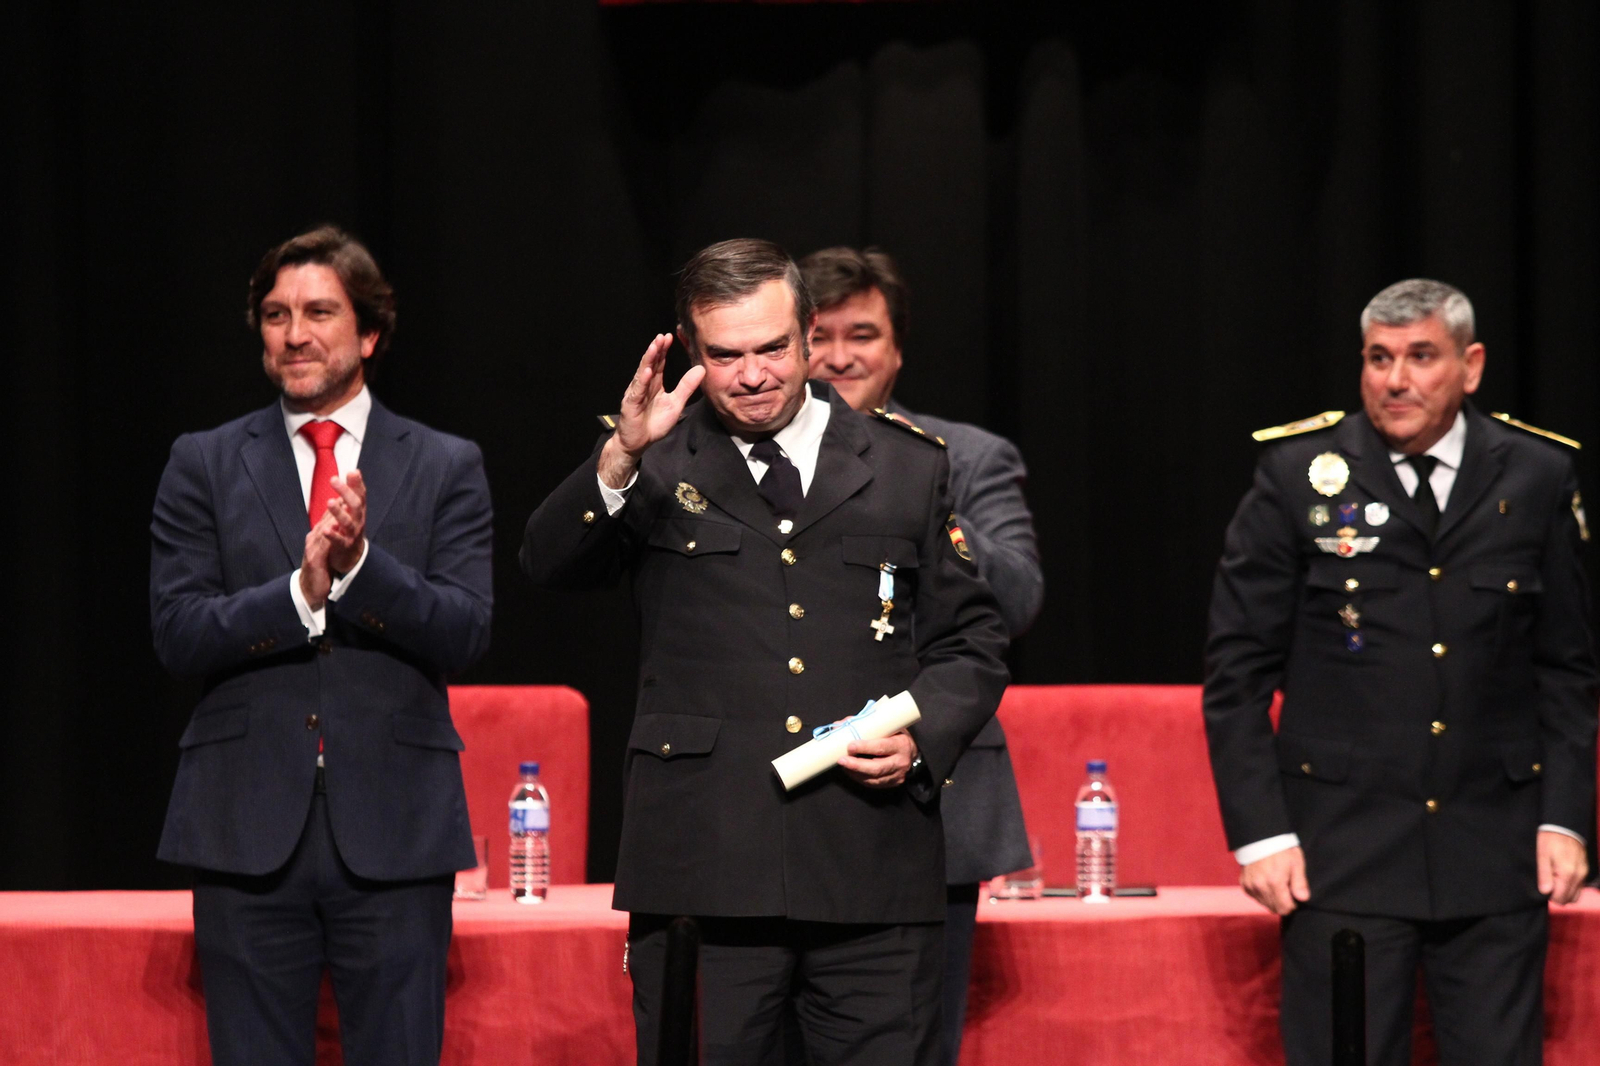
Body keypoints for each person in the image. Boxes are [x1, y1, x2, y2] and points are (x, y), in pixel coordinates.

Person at [521, 238, 1009, 1066]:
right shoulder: (655, 458)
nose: (753, 376)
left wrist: (925, 741)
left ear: (810, 337)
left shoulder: (905, 467)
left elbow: (974, 641)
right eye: (726, 356)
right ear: (691, 351)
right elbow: (546, 562)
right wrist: (620, 456)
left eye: (773, 350)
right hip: (702, 867)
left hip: (869, 865)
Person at [1203, 278, 1596, 1066]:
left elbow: (1567, 670)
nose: (1395, 379)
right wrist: (1262, 837)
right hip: (1340, 854)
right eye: (1379, 358)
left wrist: (1565, 818)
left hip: (1495, 849)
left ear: (1471, 365)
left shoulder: (1537, 474)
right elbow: (1236, 675)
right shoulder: (1298, 473)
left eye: (1421, 357)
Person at [150, 226, 493, 1066]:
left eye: (318, 312)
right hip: (243, 831)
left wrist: (361, 569)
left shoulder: (447, 464)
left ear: (369, 333)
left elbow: (465, 629)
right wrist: (301, 594)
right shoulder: (201, 462)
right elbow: (178, 633)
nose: (294, 332)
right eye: (275, 314)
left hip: (397, 829)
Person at [801, 246, 1039, 1065]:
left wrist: (923, 502)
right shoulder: (754, 460)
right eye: (820, 335)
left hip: (927, 795)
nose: (838, 357)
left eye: (861, 334)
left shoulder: (964, 458)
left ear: (897, 348)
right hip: (787, 802)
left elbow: (1019, 601)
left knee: (912, 1047)